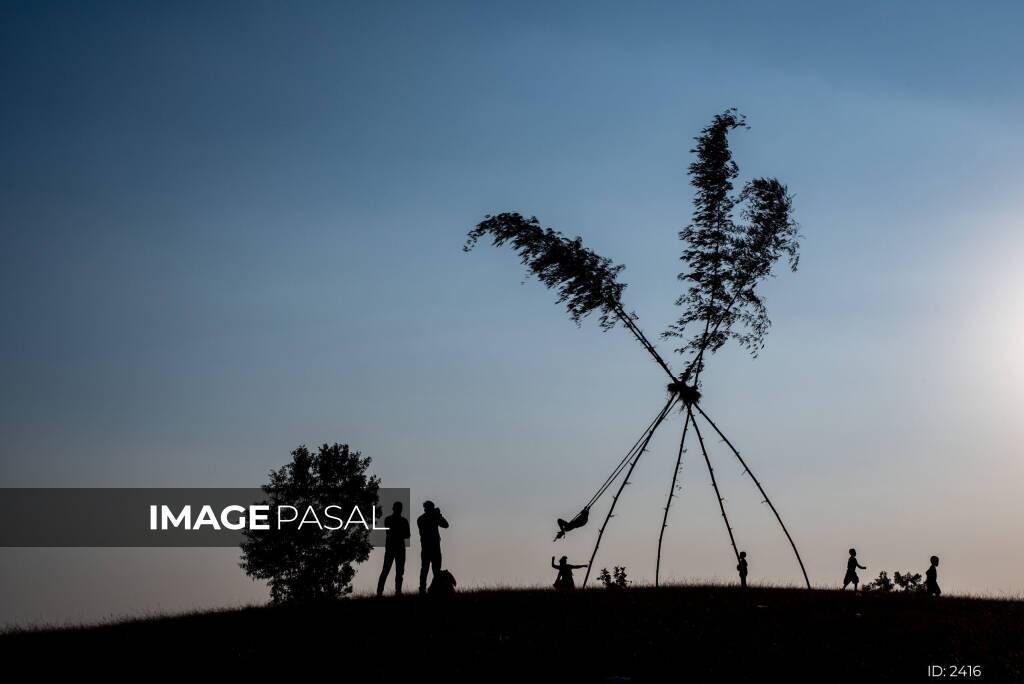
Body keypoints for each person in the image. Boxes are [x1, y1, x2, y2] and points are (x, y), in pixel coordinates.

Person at [376, 501, 410, 596]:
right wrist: (400, 533)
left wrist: (397, 532)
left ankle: (393, 592)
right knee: (389, 571)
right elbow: (405, 534)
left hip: (395, 548)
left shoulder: (391, 520)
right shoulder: (398, 520)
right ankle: (382, 592)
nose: (399, 510)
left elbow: (407, 535)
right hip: (394, 548)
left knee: (396, 571)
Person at [417, 500, 449, 594]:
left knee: (432, 571)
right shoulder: (423, 519)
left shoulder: (423, 518)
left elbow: (446, 525)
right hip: (430, 548)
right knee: (427, 570)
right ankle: (425, 589)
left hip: (431, 548)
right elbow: (445, 525)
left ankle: (432, 589)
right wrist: (437, 516)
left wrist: (438, 516)